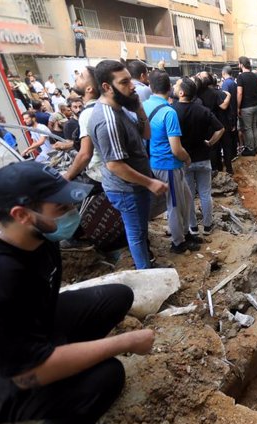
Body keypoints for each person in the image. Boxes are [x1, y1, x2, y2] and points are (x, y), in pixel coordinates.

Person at [0, 161, 155, 424]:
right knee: (107, 376)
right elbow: (26, 371)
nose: (71, 213)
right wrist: (124, 342)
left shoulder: (38, 237)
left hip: (23, 334)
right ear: (21, 214)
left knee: (116, 297)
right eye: (61, 207)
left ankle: (63, 368)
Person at [87, 59, 168, 269]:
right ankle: (146, 273)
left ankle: (146, 266)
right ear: (106, 87)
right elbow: (115, 165)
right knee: (136, 234)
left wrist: (138, 107)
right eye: (124, 82)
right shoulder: (108, 120)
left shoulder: (121, 109)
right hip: (127, 189)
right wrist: (150, 183)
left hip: (135, 186)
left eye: (130, 81)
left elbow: (146, 133)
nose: (132, 86)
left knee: (140, 230)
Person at [143, 70, 197, 254]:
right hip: (168, 164)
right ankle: (178, 242)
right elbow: (176, 148)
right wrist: (187, 157)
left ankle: (185, 232)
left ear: (151, 87)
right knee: (174, 205)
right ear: (168, 88)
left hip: (156, 161)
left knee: (186, 198)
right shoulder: (168, 112)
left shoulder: (144, 106)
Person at [173, 78, 224, 237]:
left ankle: (193, 227)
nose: (174, 87)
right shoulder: (202, 110)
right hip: (203, 157)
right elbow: (220, 129)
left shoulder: (172, 111)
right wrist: (210, 143)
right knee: (205, 194)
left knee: (188, 196)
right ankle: (208, 226)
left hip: (184, 159)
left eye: (176, 86)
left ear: (181, 92)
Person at [63, 66, 102, 182]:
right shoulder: (101, 107)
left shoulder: (88, 113)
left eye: (81, 77)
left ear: (89, 89)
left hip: (99, 174)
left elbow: (85, 154)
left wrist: (67, 176)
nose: (76, 78)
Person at [195, 72, 231, 173]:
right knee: (218, 147)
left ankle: (215, 169)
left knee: (212, 148)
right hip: (214, 122)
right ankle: (221, 169)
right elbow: (223, 106)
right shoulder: (215, 93)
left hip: (206, 124)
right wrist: (228, 96)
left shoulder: (197, 93)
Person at [236, 56, 257, 156]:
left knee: (248, 128)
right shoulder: (256, 76)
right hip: (256, 105)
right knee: (254, 126)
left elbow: (239, 93)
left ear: (241, 65)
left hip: (246, 107)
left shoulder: (241, 77)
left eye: (238, 63)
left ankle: (251, 149)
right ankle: (254, 146)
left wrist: (238, 107)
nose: (238, 65)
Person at [220, 66, 238, 174]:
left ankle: (231, 155)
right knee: (234, 133)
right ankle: (234, 153)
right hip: (234, 110)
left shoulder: (226, 84)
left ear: (223, 73)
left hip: (228, 112)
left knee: (229, 136)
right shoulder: (234, 83)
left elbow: (224, 99)